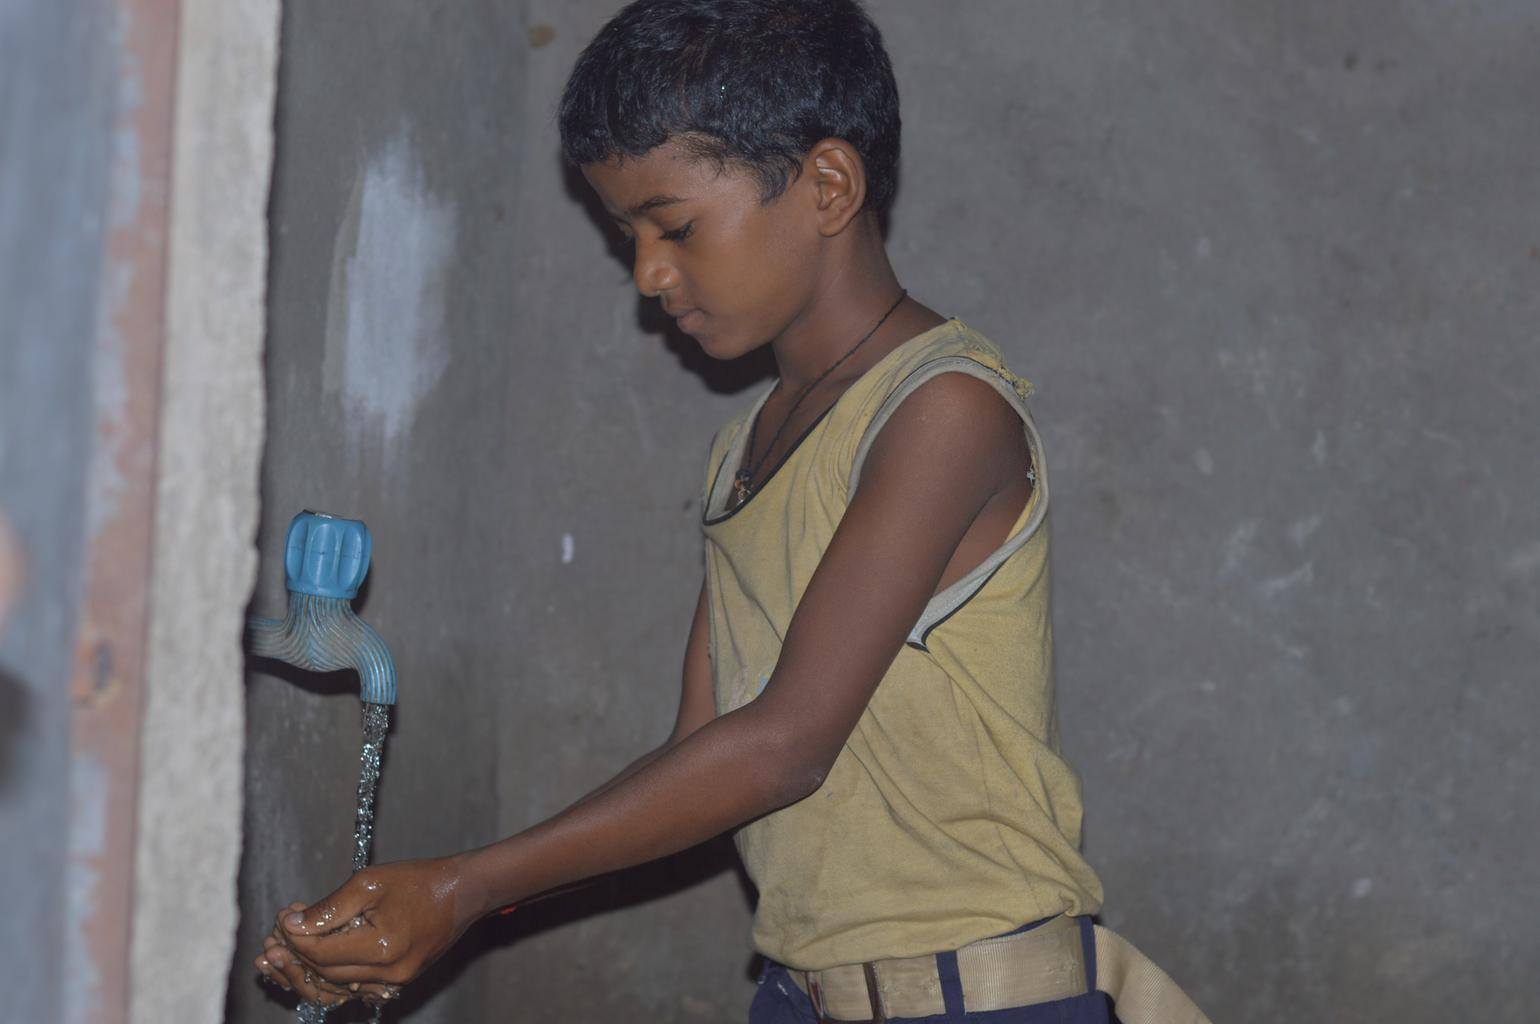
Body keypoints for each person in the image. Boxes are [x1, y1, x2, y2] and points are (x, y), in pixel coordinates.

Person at [257, 2, 1209, 1020]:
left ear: (828, 186)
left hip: (974, 995)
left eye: (673, 227)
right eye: (628, 236)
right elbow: (702, 751)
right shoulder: (744, 450)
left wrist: (465, 886)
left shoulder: (942, 413)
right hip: (800, 992)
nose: (648, 275)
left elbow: (784, 746)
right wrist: (439, 900)